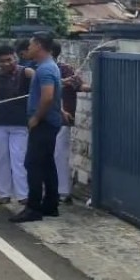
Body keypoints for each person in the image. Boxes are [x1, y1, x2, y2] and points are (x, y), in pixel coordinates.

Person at [11, 31, 63, 223]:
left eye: (32, 44)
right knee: (47, 163)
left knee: (32, 164)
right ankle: (50, 204)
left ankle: (33, 208)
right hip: (50, 121)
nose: (29, 48)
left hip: (44, 123)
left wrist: (36, 117)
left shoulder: (45, 69)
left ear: (39, 46)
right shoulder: (48, 66)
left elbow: (48, 97)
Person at [0, 43, 31, 204]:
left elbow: (42, 83)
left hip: (20, 124)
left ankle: (23, 195)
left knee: (19, 159)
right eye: (2, 61)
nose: (7, 63)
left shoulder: (26, 73)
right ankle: (4, 193)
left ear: (16, 57)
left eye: (10, 59)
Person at [52, 42, 87, 205]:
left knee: (60, 154)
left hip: (62, 120)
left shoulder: (65, 69)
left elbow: (80, 86)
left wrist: (94, 86)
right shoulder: (36, 68)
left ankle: (62, 191)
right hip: (43, 118)